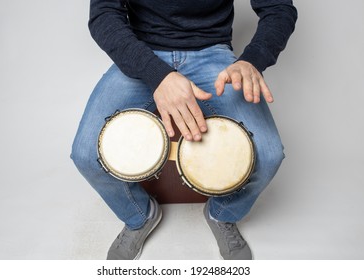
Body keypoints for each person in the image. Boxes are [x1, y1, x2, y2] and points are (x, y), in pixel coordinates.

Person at [71, 0, 297, 260]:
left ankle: (222, 214)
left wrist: (253, 60)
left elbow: (279, 8)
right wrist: (157, 74)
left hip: (212, 52)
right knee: (86, 155)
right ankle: (139, 216)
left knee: (268, 155)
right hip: (143, 52)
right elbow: (104, 15)